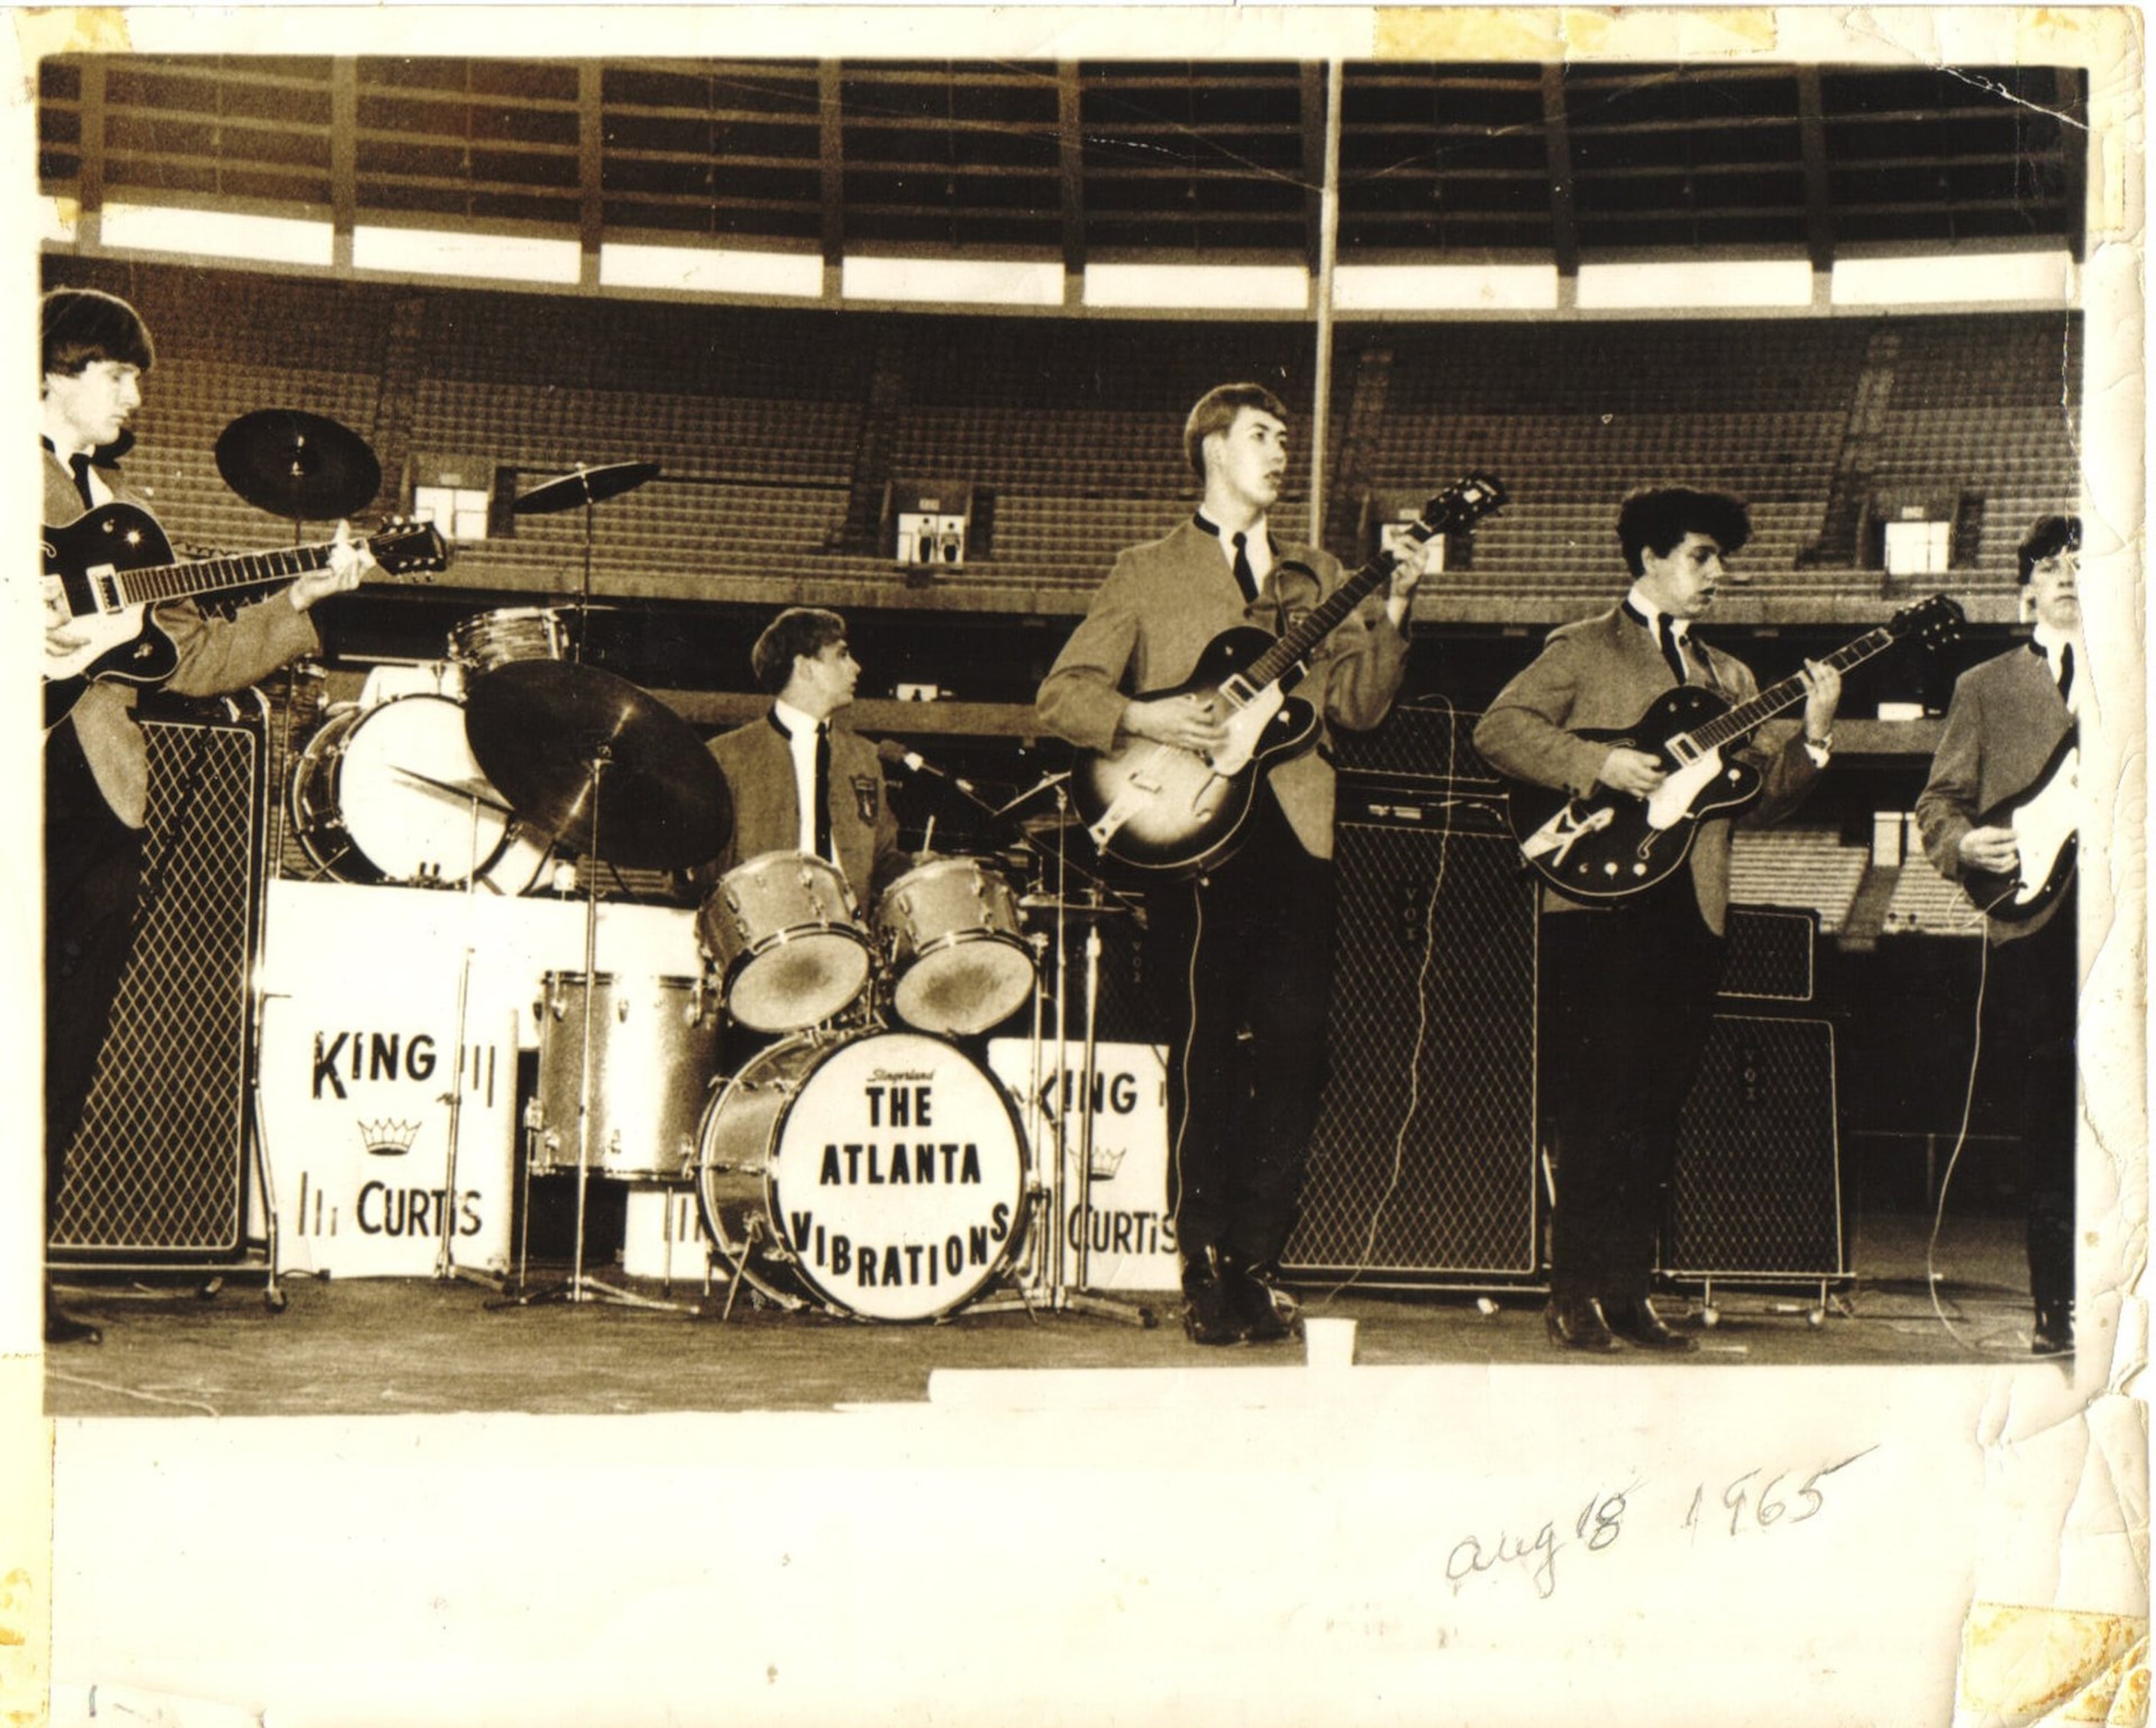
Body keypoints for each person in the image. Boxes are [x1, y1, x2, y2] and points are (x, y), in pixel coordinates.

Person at [1036, 381, 1433, 1346]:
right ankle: (1203, 1261)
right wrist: (1144, 715)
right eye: (1262, 434)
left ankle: (1260, 1258)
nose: (1282, 449)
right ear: (1212, 446)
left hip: (1295, 830)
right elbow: (1062, 697)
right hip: (1191, 834)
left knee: (1300, 1054)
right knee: (1208, 1053)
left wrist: (1400, 601)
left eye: (1286, 437)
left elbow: (1362, 709)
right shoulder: (1147, 568)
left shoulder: (1324, 571)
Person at [42, 286, 370, 1345]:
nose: (136, 395)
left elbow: (196, 656)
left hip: (93, 784)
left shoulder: (126, 519)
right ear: (53, 368)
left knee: (64, 1034)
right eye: (119, 372)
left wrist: (303, 597)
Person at [1474, 486, 1840, 1354]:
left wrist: (1816, 738)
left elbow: (1762, 804)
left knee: (1656, 1104)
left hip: (1691, 910)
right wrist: (1598, 761)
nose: (1720, 573)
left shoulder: (1736, 680)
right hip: (1597, 904)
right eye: (1702, 556)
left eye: (1721, 558)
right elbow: (1499, 730)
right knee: (1595, 1100)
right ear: (1649, 559)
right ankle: (1573, 1293)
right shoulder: (1582, 649)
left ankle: (1628, 1294)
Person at [1914, 513, 2081, 1356]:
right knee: (2052, 1111)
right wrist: (1963, 845)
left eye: (2086, 562)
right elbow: (1938, 805)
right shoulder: (1985, 684)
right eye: (2052, 565)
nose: (2070, 575)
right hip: (2038, 924)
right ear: (2027, 589)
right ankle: (2060, 1302)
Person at [699, 606, 898, 911]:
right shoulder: (728, 757)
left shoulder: (865, 758)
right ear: (805, 667)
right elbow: (701, 871)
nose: (856, 667)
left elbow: (883, 860)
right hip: (768, 936)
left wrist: (917, 868)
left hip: (850, 937)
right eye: (842, 655)